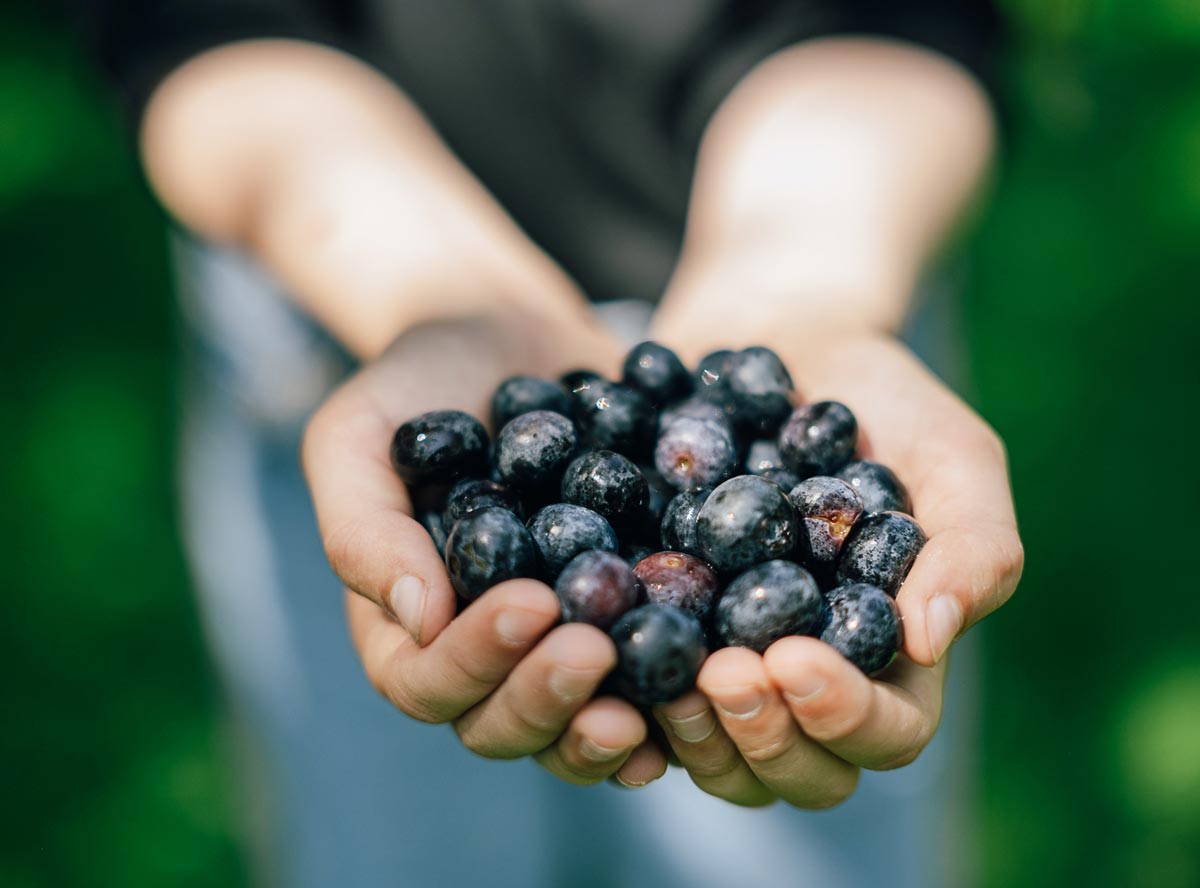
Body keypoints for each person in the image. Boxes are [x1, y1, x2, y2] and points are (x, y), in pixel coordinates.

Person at [90, 2, 1024, 885]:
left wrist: (812, 281)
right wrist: (427, 289)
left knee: (791, 828)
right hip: (335, 275)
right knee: (400, 838)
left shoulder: (799, 437)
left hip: (838, 239)